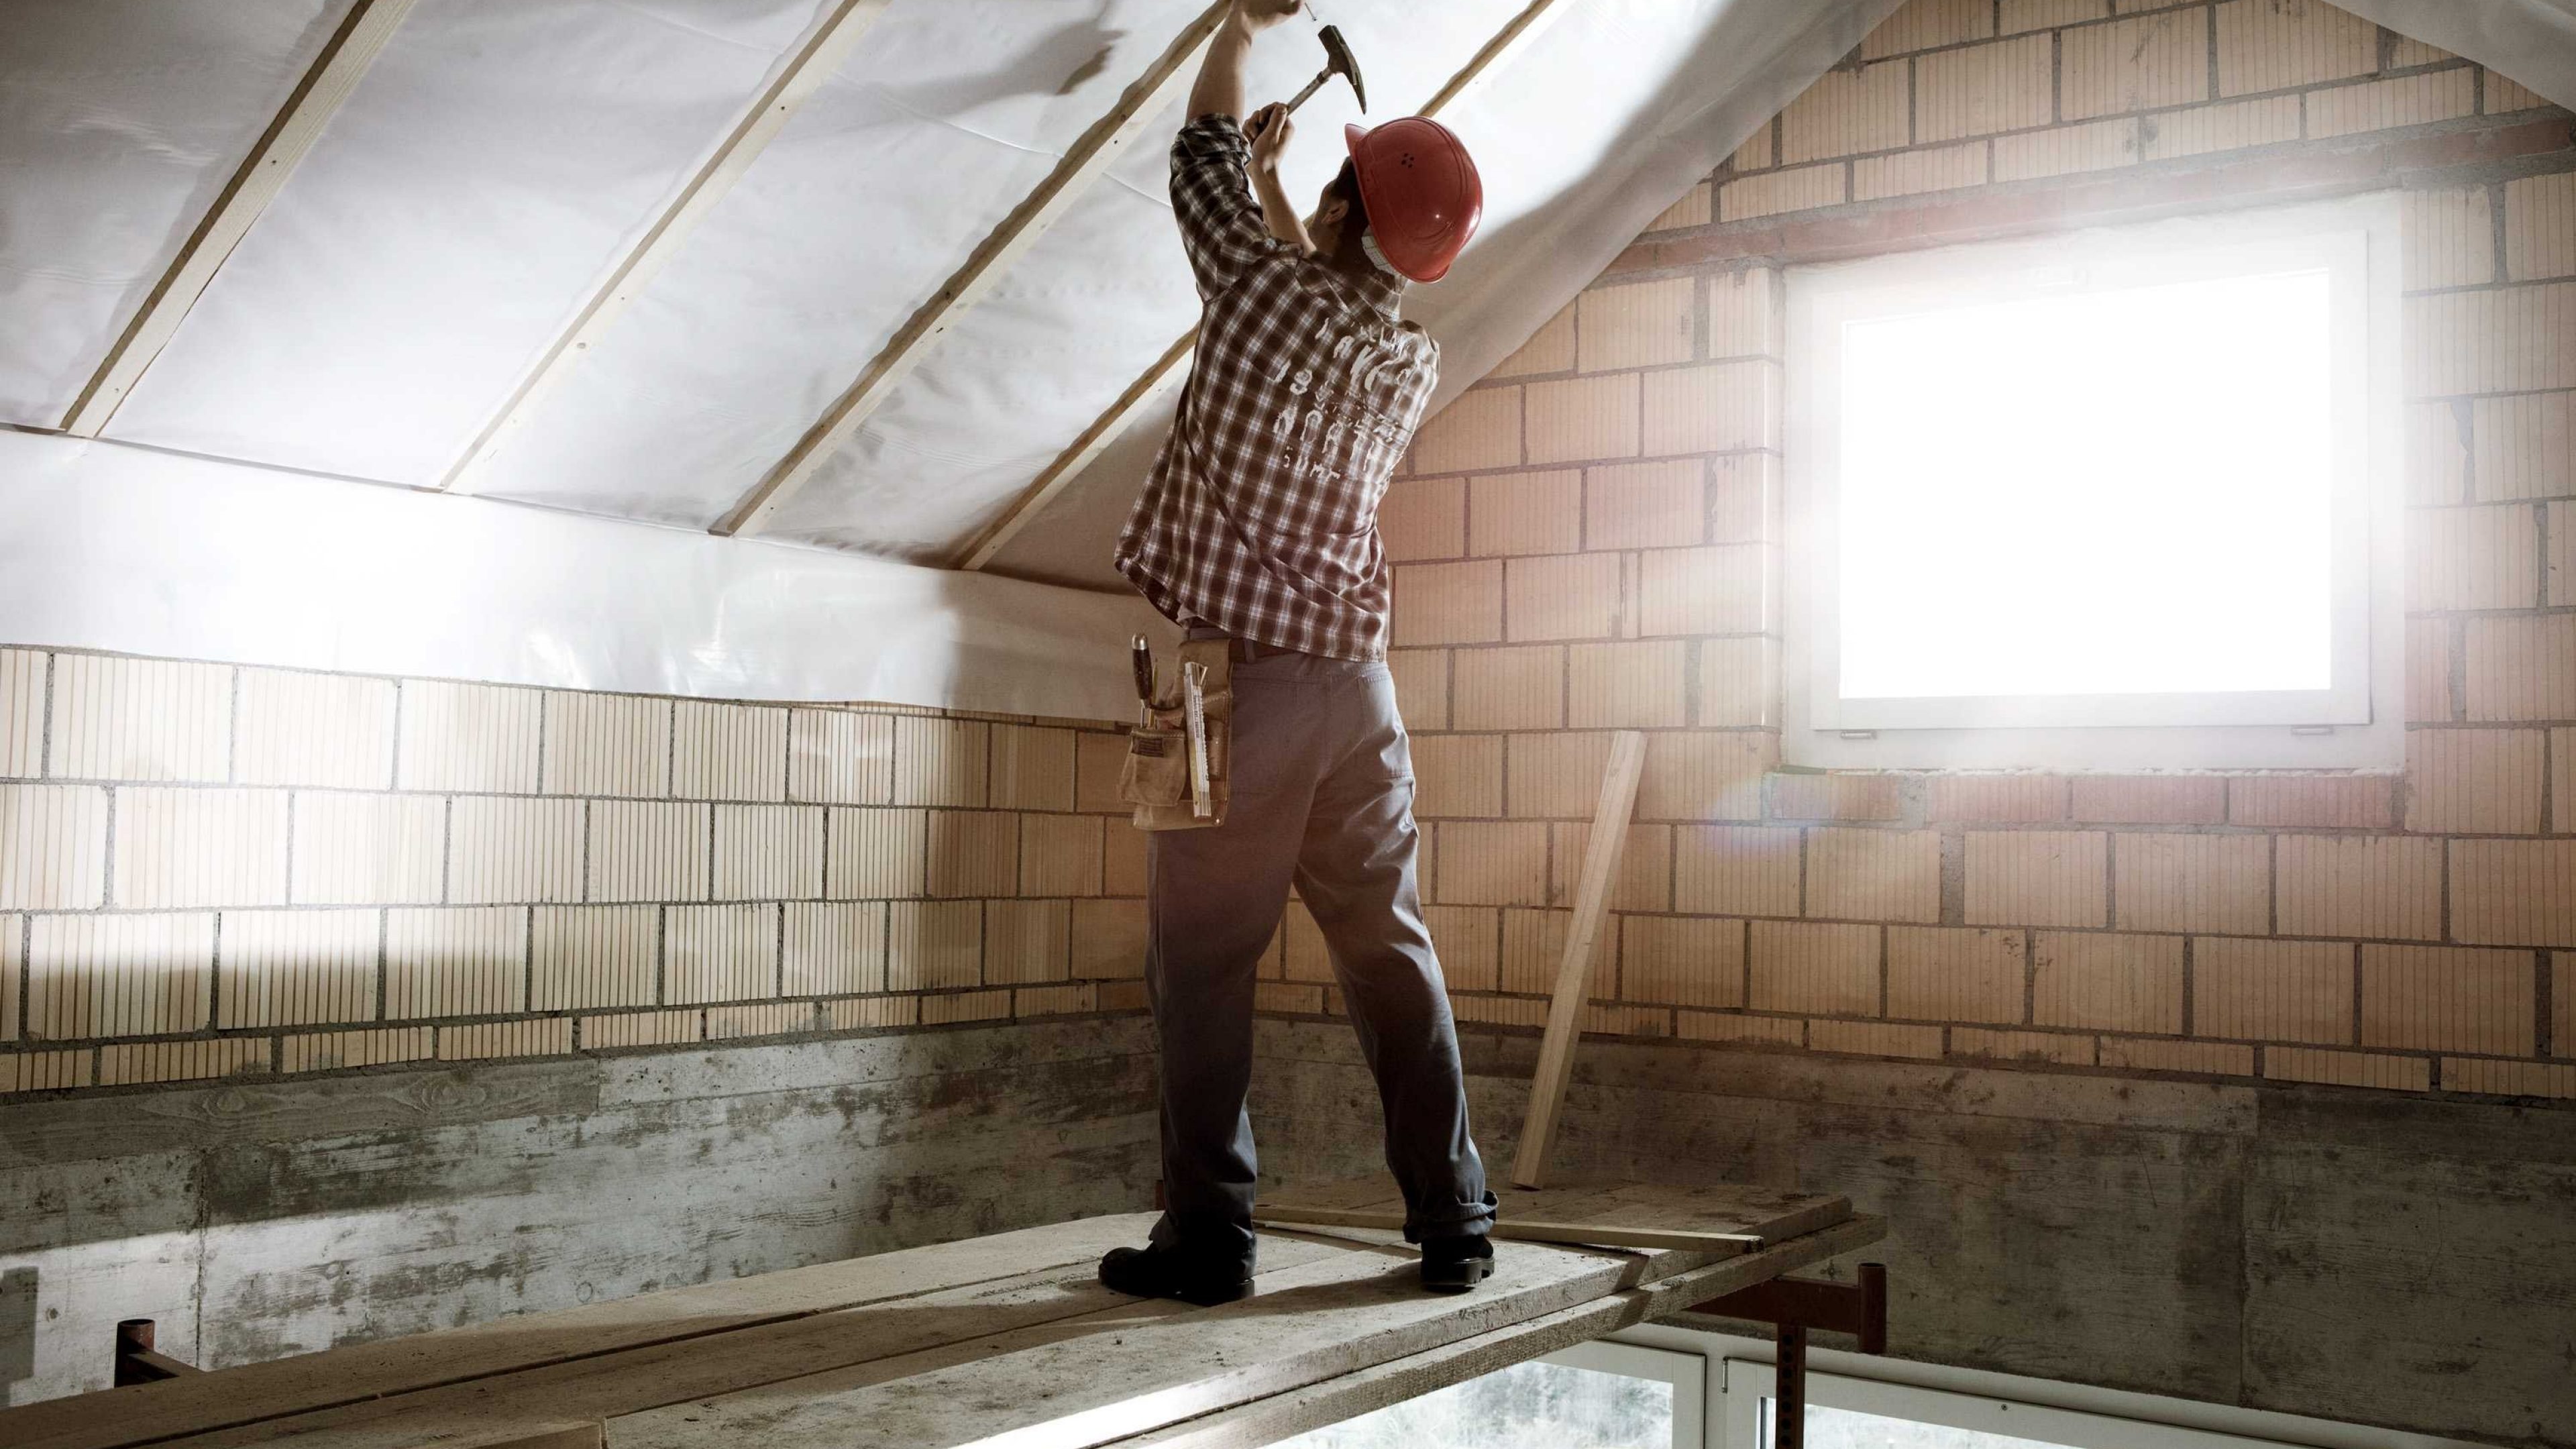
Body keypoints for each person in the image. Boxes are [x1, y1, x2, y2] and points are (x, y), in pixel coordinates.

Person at [1101, 0, 1495, 1305]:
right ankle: (1456, 1220)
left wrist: (1229, 30)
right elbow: (1305, 303)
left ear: (1339, 207)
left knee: (1202, 968)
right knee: (1390, 951)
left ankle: (1210, 1236)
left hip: (1231, 687)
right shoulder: (1406, 359)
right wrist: (1290, 189)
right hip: (1358, 698)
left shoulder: (1272, 296)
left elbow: (1195, 160)